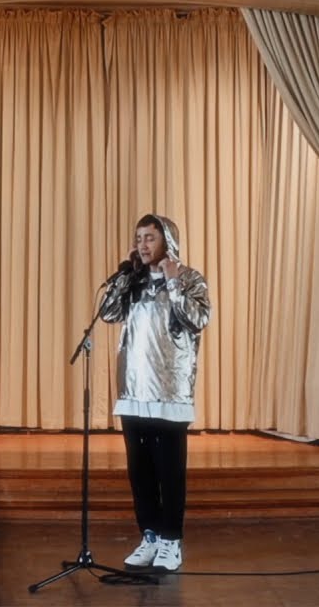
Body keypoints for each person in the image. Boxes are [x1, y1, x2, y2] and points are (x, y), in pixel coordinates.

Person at [99, 213, 211, 573]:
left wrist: (174, 283)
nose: (143, 244)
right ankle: (149, 536)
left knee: (169, 470)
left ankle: (171, 540)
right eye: (139, 238)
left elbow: (197, 320)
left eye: (150, 237)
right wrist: (123, 278)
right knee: (140, 471)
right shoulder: (134, 281)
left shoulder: (190, 278)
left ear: (167, 241)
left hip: (170, 392)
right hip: (134, 390)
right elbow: (108, 314)